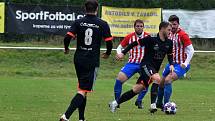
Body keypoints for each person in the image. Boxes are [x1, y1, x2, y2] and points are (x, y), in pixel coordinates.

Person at [59, 0, 113, 121]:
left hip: (78, 59)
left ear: (85, 8)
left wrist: (66, 48)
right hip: (91, 60)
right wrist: (108, 53)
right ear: (97, 9)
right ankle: (66, 116)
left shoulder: (78, 22)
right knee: (83, 90)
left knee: (82, 88)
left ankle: (81, 118)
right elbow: (109, 42)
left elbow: (67, 37)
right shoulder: (102, 23)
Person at [109, 21, 174, 113]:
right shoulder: (151, 39)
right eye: (168, 30)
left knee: (136, 89)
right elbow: (134, 43)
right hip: (145, 65)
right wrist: (123, 53)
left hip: (154, 68)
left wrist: (171, 64)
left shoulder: (169, 42)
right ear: (162, 29)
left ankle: (115, 103)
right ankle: (153, 105)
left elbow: (170, 54)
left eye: (170, 30)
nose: (170, 32)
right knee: (157, 79)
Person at [156, 15, 194, 109]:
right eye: (171, 24)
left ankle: (167, 105)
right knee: (161, 82)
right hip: (172, 64)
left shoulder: (183, 35)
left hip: (181, 64)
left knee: (168, 80)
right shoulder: (169, 34)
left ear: (178, 24)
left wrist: (185, 63)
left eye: (174, 24)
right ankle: (159, 104)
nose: (172, 26)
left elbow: (191, 50)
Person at [114, 19, 150, 109]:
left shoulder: (148, 37)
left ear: (143, 27)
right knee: (119, 80)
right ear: (134, 27)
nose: (139, 28)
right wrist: (119, 53)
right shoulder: (129, 37)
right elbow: (120, 47)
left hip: (143, 64)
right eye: (137, 26)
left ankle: (139, 101)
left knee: (146, 82)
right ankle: (117, 102)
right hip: (131, 63)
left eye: (141, 26)